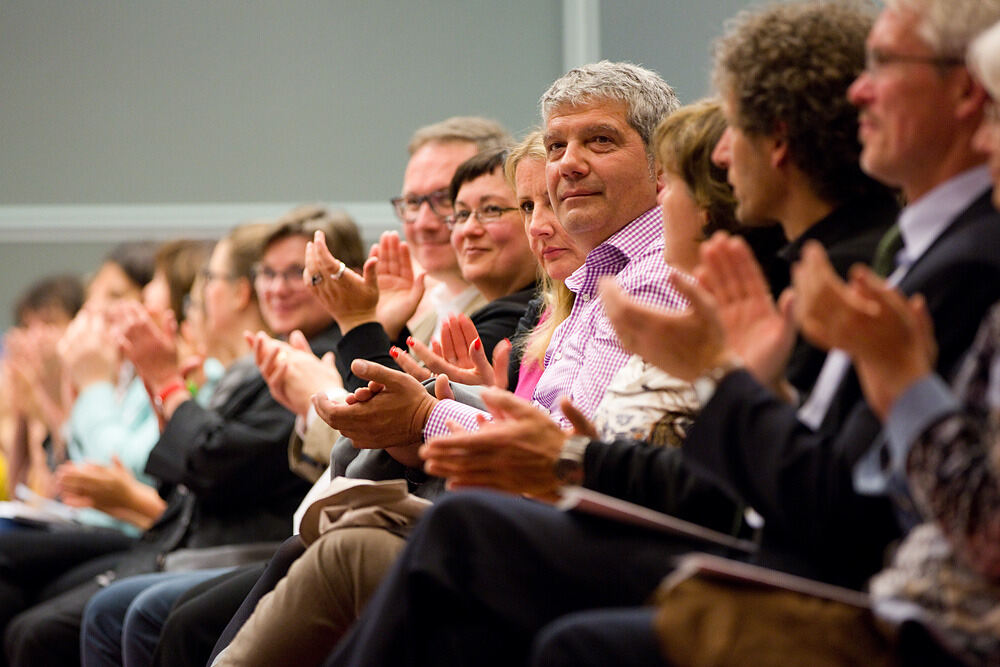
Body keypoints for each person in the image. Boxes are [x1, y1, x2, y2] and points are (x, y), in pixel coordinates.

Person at [318, 1, 1000, 665]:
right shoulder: (874, 256)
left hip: (827, 583)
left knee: (447, 546)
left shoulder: (856, 269)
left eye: (602, 143)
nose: (726, 157)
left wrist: (716, 383)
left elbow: (835, 507)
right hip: (755, 540)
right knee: (420, 550)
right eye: (554, 148)